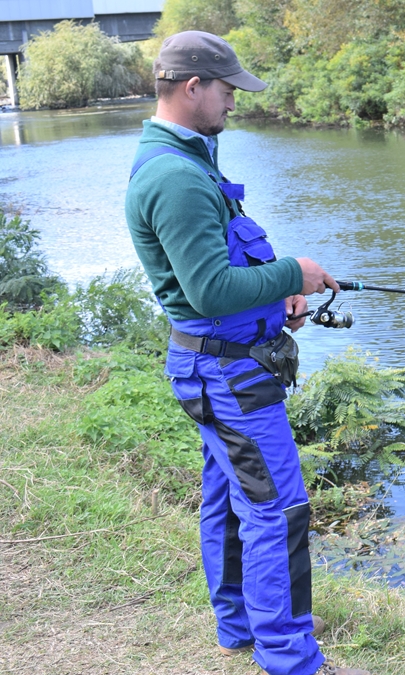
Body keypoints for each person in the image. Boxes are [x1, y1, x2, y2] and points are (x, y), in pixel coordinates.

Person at [124, 31, 369, 675]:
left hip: (219, 363)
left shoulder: (188, 159)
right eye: (229, 89)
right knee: (277, 507)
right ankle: (291, 659)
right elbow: (207, 289)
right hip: (228, 374)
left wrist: (276, 301)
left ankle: (238, 628)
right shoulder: (176, 176)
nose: (236, 101)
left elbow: (219, 272)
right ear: (192, 86)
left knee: (230, 497)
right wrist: (294, 273)